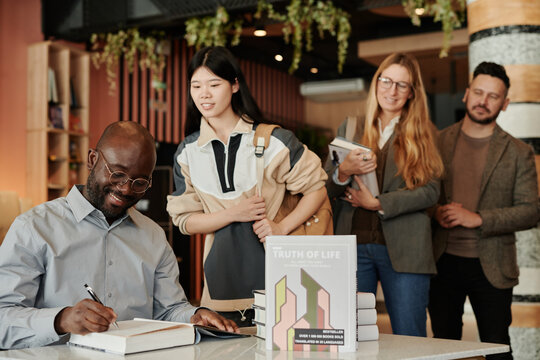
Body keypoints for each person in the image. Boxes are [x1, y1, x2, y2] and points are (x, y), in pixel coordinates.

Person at [0, 121, 237, 350]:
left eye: (139, 182)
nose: (125, 189)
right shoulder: (33, 228)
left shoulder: (154, 236)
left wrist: (194, 315)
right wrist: (61, 319)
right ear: (92, 160)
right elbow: (3, 319)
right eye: (117, 174)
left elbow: (168, 309)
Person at [166, 46, 328, 326]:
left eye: (214, 84)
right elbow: (184, 221)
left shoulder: (273, 140)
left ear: (235, 85)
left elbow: (317, 189)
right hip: (220, 283)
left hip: (280, 274)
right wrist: (233, 213)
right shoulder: (187, 152)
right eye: (196, 85)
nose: (204, 94)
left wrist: (281, 228)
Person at [325, 52, 443, 336]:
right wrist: (343, 172)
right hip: (352, 248)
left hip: (406, 250)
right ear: (377, 82)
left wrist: (378, 203)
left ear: (412, 92)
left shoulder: (424, 132)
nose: (392, 90)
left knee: (410, 337)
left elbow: (431, 192)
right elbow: (325, 186)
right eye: (387, 81)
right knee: (350, 336)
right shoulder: (351, 126)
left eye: (402, 85)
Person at [429, 62, 538, 359]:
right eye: (478, 92)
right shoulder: (436, 142)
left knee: (497, 347)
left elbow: (530, 211)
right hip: (442, 262)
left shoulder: (518, 152)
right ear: (466, 94)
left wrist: (478, 219)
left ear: (505, 104)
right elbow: (420, 196)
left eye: (493, 96)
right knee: (443, 347)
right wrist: (435, 212)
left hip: (492, 266)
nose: (483, 100)